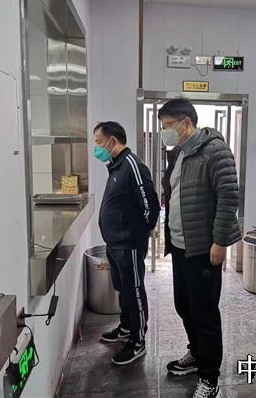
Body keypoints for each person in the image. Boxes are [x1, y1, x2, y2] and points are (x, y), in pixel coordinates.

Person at [159, 99, 241, 398]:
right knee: (184, 305)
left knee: (204, 313)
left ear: (186, 122)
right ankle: (196, 353)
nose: (165, 132)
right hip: (181, 246)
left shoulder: (215, 151)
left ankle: (209, 376)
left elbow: (229, 198)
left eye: (168, 126)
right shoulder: (179, 152)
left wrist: (220, 242)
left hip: (204, 248)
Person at [94, 121, 160, 366]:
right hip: (115, 242)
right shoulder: (116, 166)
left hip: (128, 243)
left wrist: (136, 234)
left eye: (99, 143)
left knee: (134, 290)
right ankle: (126, 327)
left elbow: (151, 205)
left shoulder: (132, 165)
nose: (97, 148)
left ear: (113, 140)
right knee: (123, 288)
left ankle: (138, 340)